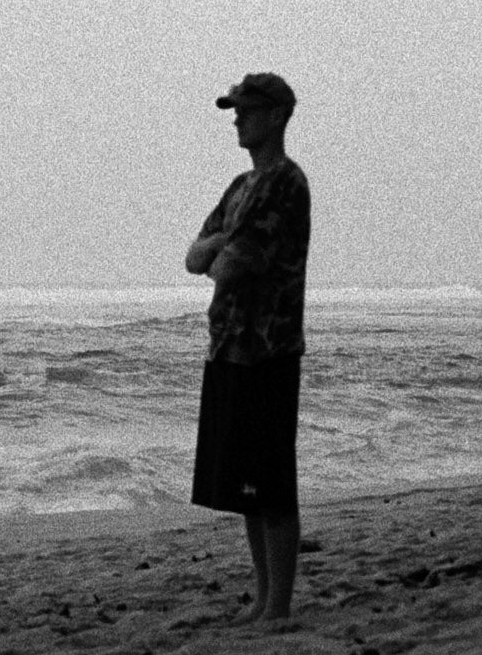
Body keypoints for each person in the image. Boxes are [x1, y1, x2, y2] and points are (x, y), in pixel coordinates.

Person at [185, 72, 311, 625]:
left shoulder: (286, 183)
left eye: (247, 109)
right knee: (248, 489)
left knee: (273, 485)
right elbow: (195, 257)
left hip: (269, 350)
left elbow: (231, 266)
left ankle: (278, 604)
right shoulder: (240, 186)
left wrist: (220, 252)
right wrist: (220, 246)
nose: (237, 118)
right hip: (229, 348)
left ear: (276, 115)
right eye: (236, 109)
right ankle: (263, 599)